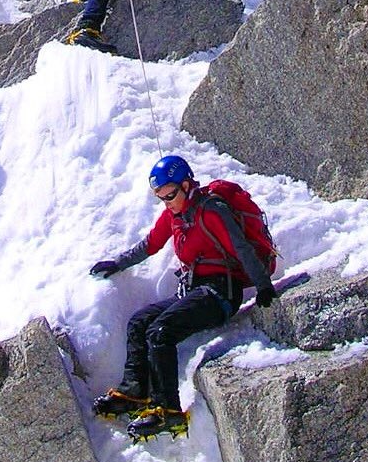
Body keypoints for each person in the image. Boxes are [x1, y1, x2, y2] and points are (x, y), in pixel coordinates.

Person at [89, 155, 278, 442]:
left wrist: (263, 286)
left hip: (220, 293)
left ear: (187, 185)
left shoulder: (211, 210)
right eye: (161, 198)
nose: (168, 203)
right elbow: (150, 244)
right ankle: (134, 391)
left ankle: (168, 410)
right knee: (140, 322)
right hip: (193, 290)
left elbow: (240, 248)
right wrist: (117, 263)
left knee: (161, 331)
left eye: (171, 195)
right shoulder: (174, 216)